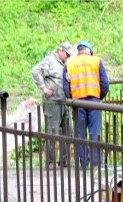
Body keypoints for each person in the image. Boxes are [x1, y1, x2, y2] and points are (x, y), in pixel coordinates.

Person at [63, 40, 109, 167]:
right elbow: (105, 83)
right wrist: (98, 97)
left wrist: (72, 99)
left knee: (80, 133)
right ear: (89, 51)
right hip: (94, 101)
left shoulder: (69, 64)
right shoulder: (96, 61)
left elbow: (66, 87)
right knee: (95, 132)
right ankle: (96, 163)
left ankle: (84, 162)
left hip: (77, 102)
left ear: (79, 51)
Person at [31, 41, 75, 169]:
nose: (67, 56)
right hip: (52, 101)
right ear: (60, 50)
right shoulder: (49, 60)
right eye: (66, 54)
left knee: (68, 132)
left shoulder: (65, 64)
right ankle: (50, 161)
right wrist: (44, 88)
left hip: (64, 101)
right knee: (52, 132)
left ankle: (64, 160)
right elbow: (35, 71)